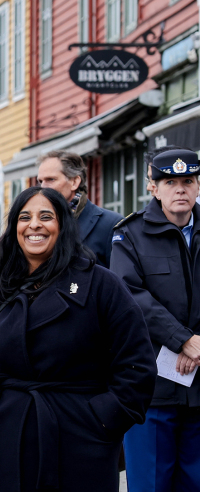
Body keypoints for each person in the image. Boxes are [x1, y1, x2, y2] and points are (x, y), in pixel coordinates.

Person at [0, 186, 156, 492]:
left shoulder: (101, 285)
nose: (34, 225)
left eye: (46, 216)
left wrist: (100, 422)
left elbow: (136, 365)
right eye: (25, 217)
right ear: (14, 227)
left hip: (77, 445)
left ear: (62, 224)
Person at [110, 147, 200, 491]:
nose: (180, 189)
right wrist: (183, 340)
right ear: (153, 186)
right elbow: (129, 296)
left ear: (197, 186)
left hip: (199, 385)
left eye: (188, 181)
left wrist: (198, 345)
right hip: (152, 388)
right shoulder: (129, 235)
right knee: (151, 484)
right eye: (170, 181)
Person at [37, 150, 121, 267]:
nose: (43, 187)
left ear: (74, 182)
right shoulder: (34, 224)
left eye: (51, 179)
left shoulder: (111, 224)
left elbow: (118, 281)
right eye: (40, 181)